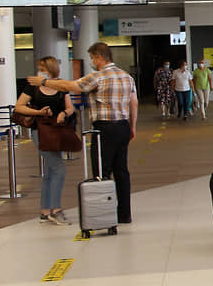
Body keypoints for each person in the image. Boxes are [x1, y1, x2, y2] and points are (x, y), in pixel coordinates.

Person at [27, 42, 138, 225]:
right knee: (122, 171)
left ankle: (104, 214)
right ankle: (124, 214)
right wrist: (132, 127)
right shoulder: (126, 76)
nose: (92, 62)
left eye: (92, 58)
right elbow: (134, 103)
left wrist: (44, 82)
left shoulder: (98, 77)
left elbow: (71, 86)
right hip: (123, 126)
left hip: (104, 128)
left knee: (101, 171)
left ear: (99, 57)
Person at [15, 56, 76, 225]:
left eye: (43, 69)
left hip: (58, 131)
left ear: (51, 70)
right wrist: (38, 113)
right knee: (59, 168)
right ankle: (56, 210)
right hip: (40, 131)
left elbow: (70, 107)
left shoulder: (60, 86)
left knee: (50, 171)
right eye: (39, 69)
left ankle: (45, 210)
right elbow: (19, 106)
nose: (40, 72)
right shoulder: (32, 87)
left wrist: (64, 113)